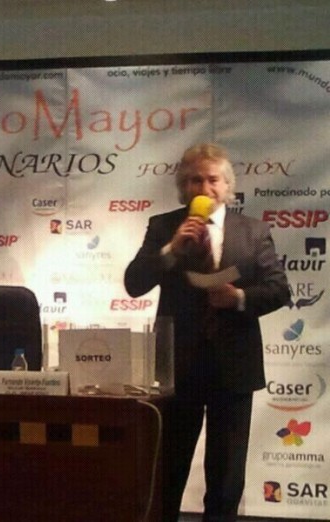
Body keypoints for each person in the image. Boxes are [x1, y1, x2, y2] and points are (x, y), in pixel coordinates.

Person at [124, 143, 289, 522]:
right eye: (195, 180)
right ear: (183, 187)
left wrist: (239, 297)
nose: (204, 187)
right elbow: (134, 283)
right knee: (168, 469)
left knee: (227, 476)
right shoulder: (163, 226)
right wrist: (171, 249)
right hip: (177, 369)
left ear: (227, 185)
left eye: (213, 179)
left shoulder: (253, 231)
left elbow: (279, 289)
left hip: (234, 368)